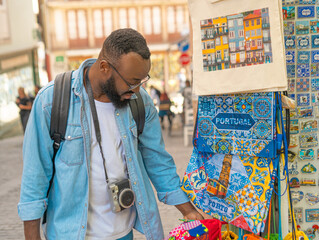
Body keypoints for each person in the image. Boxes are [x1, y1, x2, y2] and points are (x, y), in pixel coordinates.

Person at [18, 28, 203, 240]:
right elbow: (35, 177)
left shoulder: (140, 102)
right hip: (69, 234)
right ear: (105, 67)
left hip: (123, 234)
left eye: (142, 81)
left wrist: (188, 211)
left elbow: (158, 161)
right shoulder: (51, 102)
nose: (136, 90)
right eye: (132, 81)